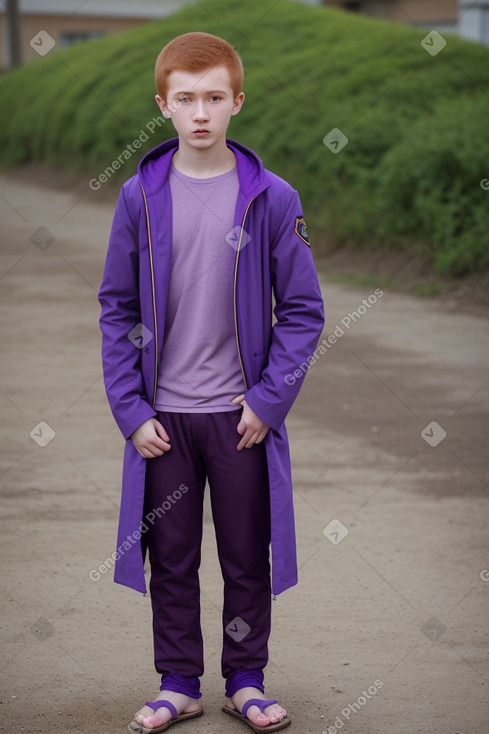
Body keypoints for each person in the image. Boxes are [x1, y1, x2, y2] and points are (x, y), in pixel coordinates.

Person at [98, 31, 325, 734]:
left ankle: (246, 680)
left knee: (244, 554)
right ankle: (177, 682)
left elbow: (304, 309)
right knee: (170, 558)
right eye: (186, 99)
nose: (201, 112)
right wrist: (130, 410)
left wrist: (267, 399)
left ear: (237, 102)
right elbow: (117, 306)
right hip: (163, 418)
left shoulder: (271, 197)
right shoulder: (139, 197)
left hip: (239, 418)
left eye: (215, 98)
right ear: (163, 105)